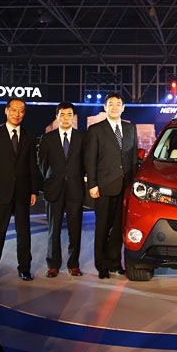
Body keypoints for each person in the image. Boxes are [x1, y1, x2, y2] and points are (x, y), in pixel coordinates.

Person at [0, 98, 39, 285]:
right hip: (0, 193)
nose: (17, 114)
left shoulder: (29, 136)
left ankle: (25, 269)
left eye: (21, 110)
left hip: (23, 193)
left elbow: (32, 165)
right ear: (6, 111)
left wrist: (34, 190)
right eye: (14, 109)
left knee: (24, 234)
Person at [85, 92, 139, 279]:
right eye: (111, 104)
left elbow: (133, 158)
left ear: (123, 108)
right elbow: (90, 159)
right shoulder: (96, 129)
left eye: (118, 104)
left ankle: (115, 262)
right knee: (102, 227)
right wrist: (92, 184)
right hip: (104, 186)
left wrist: (133, 185)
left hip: (125, 187)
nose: (114, 107)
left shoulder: (130, 129)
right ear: (105, 107)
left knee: (118, 228)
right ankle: (102, 265)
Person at [38, 102, 86, 278]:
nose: (66, 118)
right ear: (57, 117)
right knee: (54, 229)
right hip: (54, 188)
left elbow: (85, 163)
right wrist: (52, 178)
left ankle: (73, 264)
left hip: (75, 189)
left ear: (73, 117)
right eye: (62, 114)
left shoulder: (82, 137)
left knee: (75, 229)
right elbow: (42, 164)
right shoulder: (47, 138)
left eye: (69, 114)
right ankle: (53, 264)